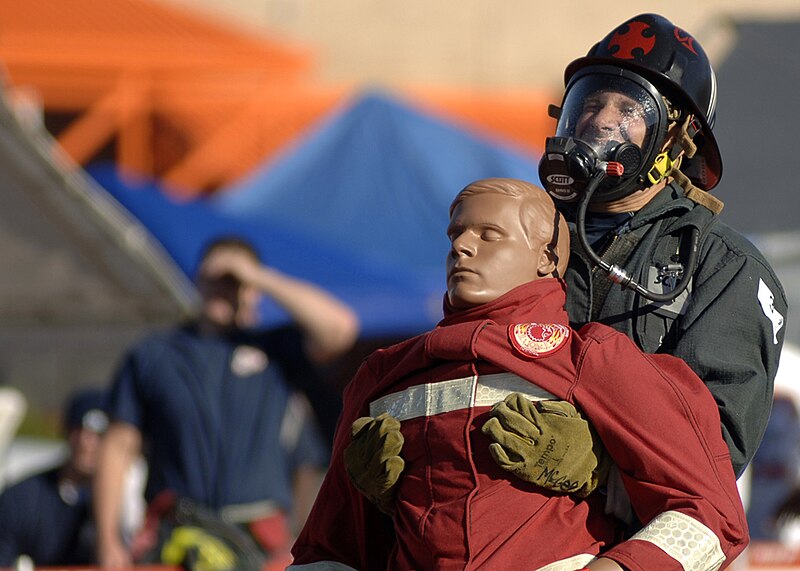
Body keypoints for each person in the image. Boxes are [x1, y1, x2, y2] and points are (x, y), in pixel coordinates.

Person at [290, 178, 748, 570]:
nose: (462, 246)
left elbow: (708, 515)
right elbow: (328, 550)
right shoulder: (384, 375)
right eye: (456, 233)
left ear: (548, 258)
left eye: (490, 234)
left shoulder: (590, 359)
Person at [534, 12, 786, 487]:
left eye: (629, 109)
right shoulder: (523, 239)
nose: (602, 120)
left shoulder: (723, 268)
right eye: (591, 102)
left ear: (678, 140)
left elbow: (714, 451)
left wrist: (591, 468)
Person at [95, 236, 360, 569]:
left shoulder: (274, 348)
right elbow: (117, 447)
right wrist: (108, 542)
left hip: (256, 542)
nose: (223, 286)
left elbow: (340, 329)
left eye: (234, 280)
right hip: (178, 538)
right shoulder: (154, 354)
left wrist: (257, 277)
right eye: (215, 277)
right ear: (198, 278)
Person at [0, 388, 109, 566]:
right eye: (78, 429)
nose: (86, 441)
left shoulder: (131, 503)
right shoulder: (22, 498)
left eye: (99, 434)